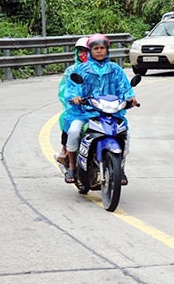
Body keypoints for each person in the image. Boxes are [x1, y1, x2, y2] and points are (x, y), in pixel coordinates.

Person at [64, 33, 138, 184]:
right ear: (90, 50)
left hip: (111, 112)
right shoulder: (81, 69)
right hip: (85, 113)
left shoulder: (115, 70)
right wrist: (75, 97)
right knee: (73, 131)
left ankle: (121, 168)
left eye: (102, 48)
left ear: (107, 50)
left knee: (125, 135)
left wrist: (130, 98)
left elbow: (124, 88)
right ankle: (72, 167)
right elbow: (73, 88)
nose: (99, 51)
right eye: (96, 48)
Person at [56, 37, 89, 167]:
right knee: (67, 121)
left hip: (98, 108)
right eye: (80, 51)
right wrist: (73, 99)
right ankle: (67, 157)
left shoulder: (103, 70)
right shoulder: (71, 71)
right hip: (77, 110)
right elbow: (65, 91)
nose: (83, 54)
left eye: (86, 51)